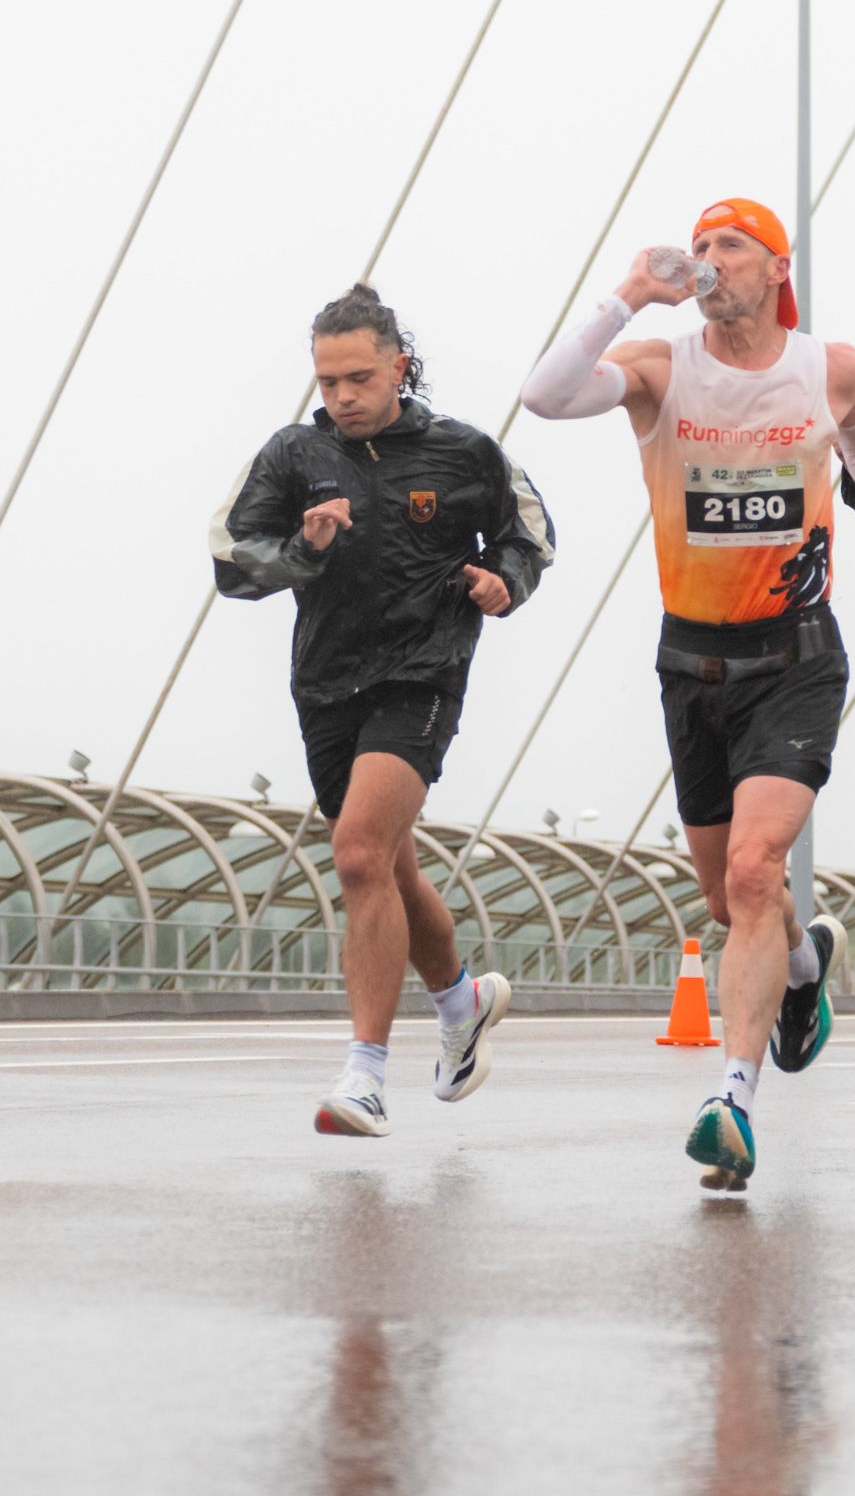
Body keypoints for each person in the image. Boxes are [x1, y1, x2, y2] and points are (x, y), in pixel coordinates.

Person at [518, 200, 855, 1190]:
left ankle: (731, 1098)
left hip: (794, 655)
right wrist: (629, 290)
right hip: (691, 661)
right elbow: (542, 397)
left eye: (731, 245)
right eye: (702, 243)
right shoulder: (662, 367)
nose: (711, 258)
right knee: (728, 897)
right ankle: (804, 967)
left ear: (774, 267)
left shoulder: (826, 367)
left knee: (758, 868)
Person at [214, 283, 549, 1136]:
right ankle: (461, 999)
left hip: (423, 676)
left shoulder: (464, 451)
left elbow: (531, 534)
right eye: (328, 382)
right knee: (389, 868)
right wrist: (305, 547)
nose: (343, 396)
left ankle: (364, 1075)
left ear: (399, 365)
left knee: (358, 850)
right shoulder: (292, 456)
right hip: (326, 686)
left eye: (359, 376)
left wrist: (501, 581)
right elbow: (232, 564)